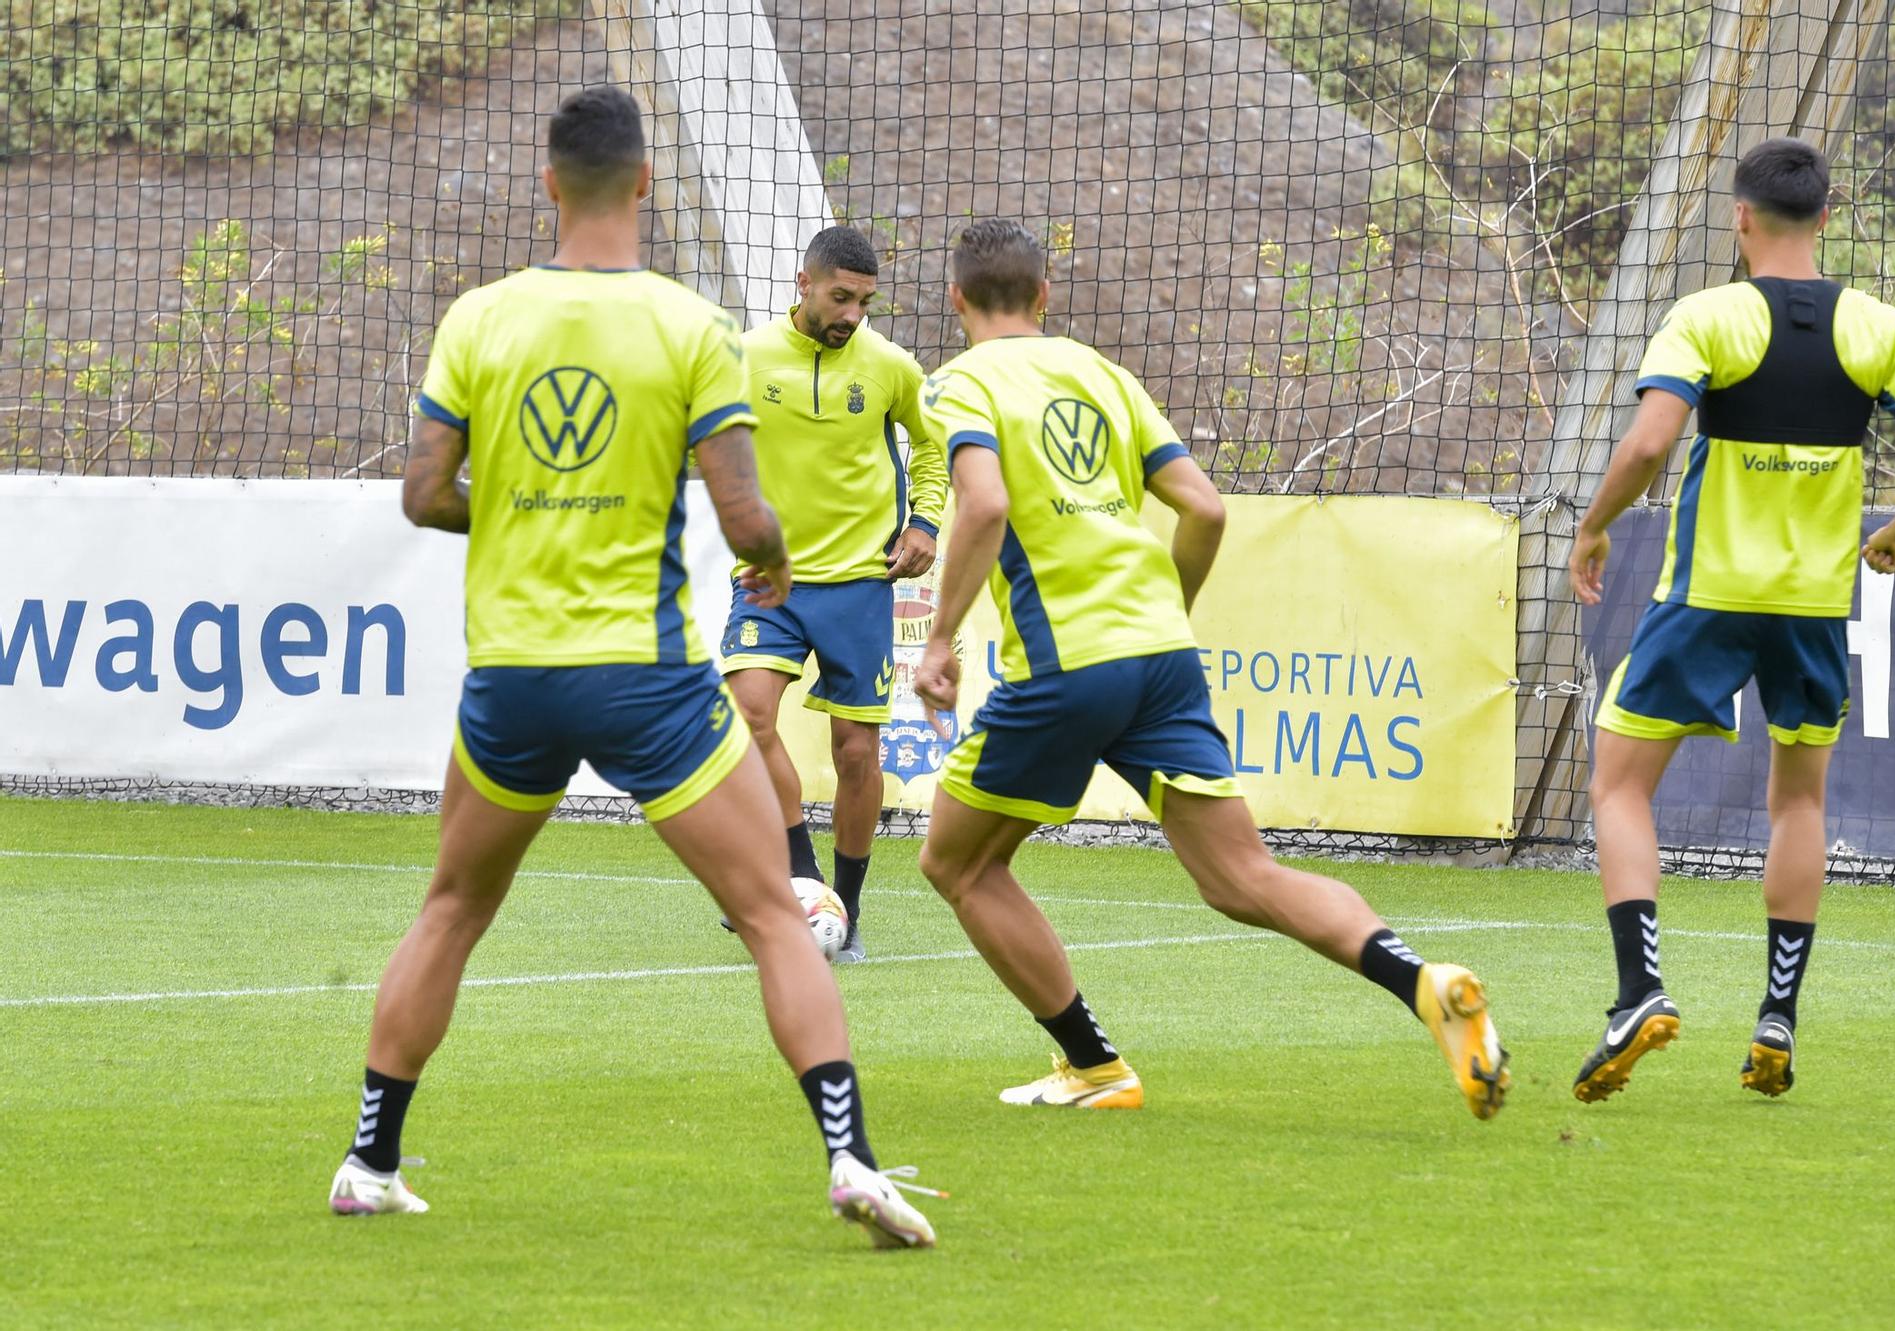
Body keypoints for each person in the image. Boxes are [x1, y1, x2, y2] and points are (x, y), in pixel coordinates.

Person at [325, 87, 934, 1248]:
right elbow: (747, 515)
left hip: (511, 675)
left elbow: (421, 493)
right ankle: (850, 1156)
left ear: (548, 182)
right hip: (643, 677)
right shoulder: (687, 326)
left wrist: (515, 506)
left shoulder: (481, 318)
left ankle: (368, 1158)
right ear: (644, 185)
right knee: (768, 909)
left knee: (451, 906)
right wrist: (769, 566)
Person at [909, 219, 1509, 1121]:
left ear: (956, 299)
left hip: (1066, 661)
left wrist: (939, 636)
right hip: (1161, 654)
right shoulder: (1105, 376)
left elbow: (984, 502)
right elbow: (1205, 507)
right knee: (1243, 879)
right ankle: (1421, 979)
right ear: (1045, 295)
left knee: (956, 863)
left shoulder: (955, 383)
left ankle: (1095, 1066)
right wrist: (1167, 613)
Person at [1567, 136, 1895, 1102]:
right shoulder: (1878, 325)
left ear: (1738, 216)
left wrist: (1594, 526)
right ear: (1826, 217)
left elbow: (1652, 441)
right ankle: (1777, 1019)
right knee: (1799, 804)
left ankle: (1639, 993)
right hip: (1813, 607)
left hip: (1706, 595)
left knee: (1620, 787)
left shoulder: (1706, 317)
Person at [719, 227, 946, 960]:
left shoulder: (889, 367)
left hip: (859, 583)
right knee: (746, 716)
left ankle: (843, 905)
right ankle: (800, 876)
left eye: (865, 302)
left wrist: (926, 523)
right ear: (803, 282)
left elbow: (936, 445)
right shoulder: (744, 357)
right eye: (841, 296)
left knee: (856, 752)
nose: (853, 314)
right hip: (769, 578)